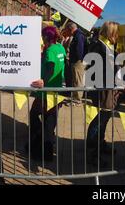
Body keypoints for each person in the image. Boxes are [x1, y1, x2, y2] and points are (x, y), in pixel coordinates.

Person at [86, 21, 125, 165]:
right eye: (116, 32)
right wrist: (121, 84)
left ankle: (100, 145)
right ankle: (93, 152)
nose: (118, 36)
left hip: (108, 88)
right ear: (111, 33)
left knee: (104, 119)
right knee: (100, 120)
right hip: (103, 89)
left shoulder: (107, 46)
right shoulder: (98, 46)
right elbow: (101, 70)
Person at [28, 26, 67, 162]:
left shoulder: (50, 50)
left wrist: (44, 80)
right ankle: (47, 152)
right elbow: (63, 66)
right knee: (50, 122)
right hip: (57, 91)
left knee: (34, 115)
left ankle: (39, 146)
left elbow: (50, 66)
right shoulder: (60, 48)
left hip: (46, 92)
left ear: (46, 37)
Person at [66, 22, 86, 105]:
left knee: (78, 80)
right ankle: (75, 97)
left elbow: (79, 50)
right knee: (75, 80)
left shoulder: (78, 35)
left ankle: (77, 99)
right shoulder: (77, 35)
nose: (67, 32)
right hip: (76, 61)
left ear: (70, 29)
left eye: (67, 30)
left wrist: (76, 59)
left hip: (78, 61)